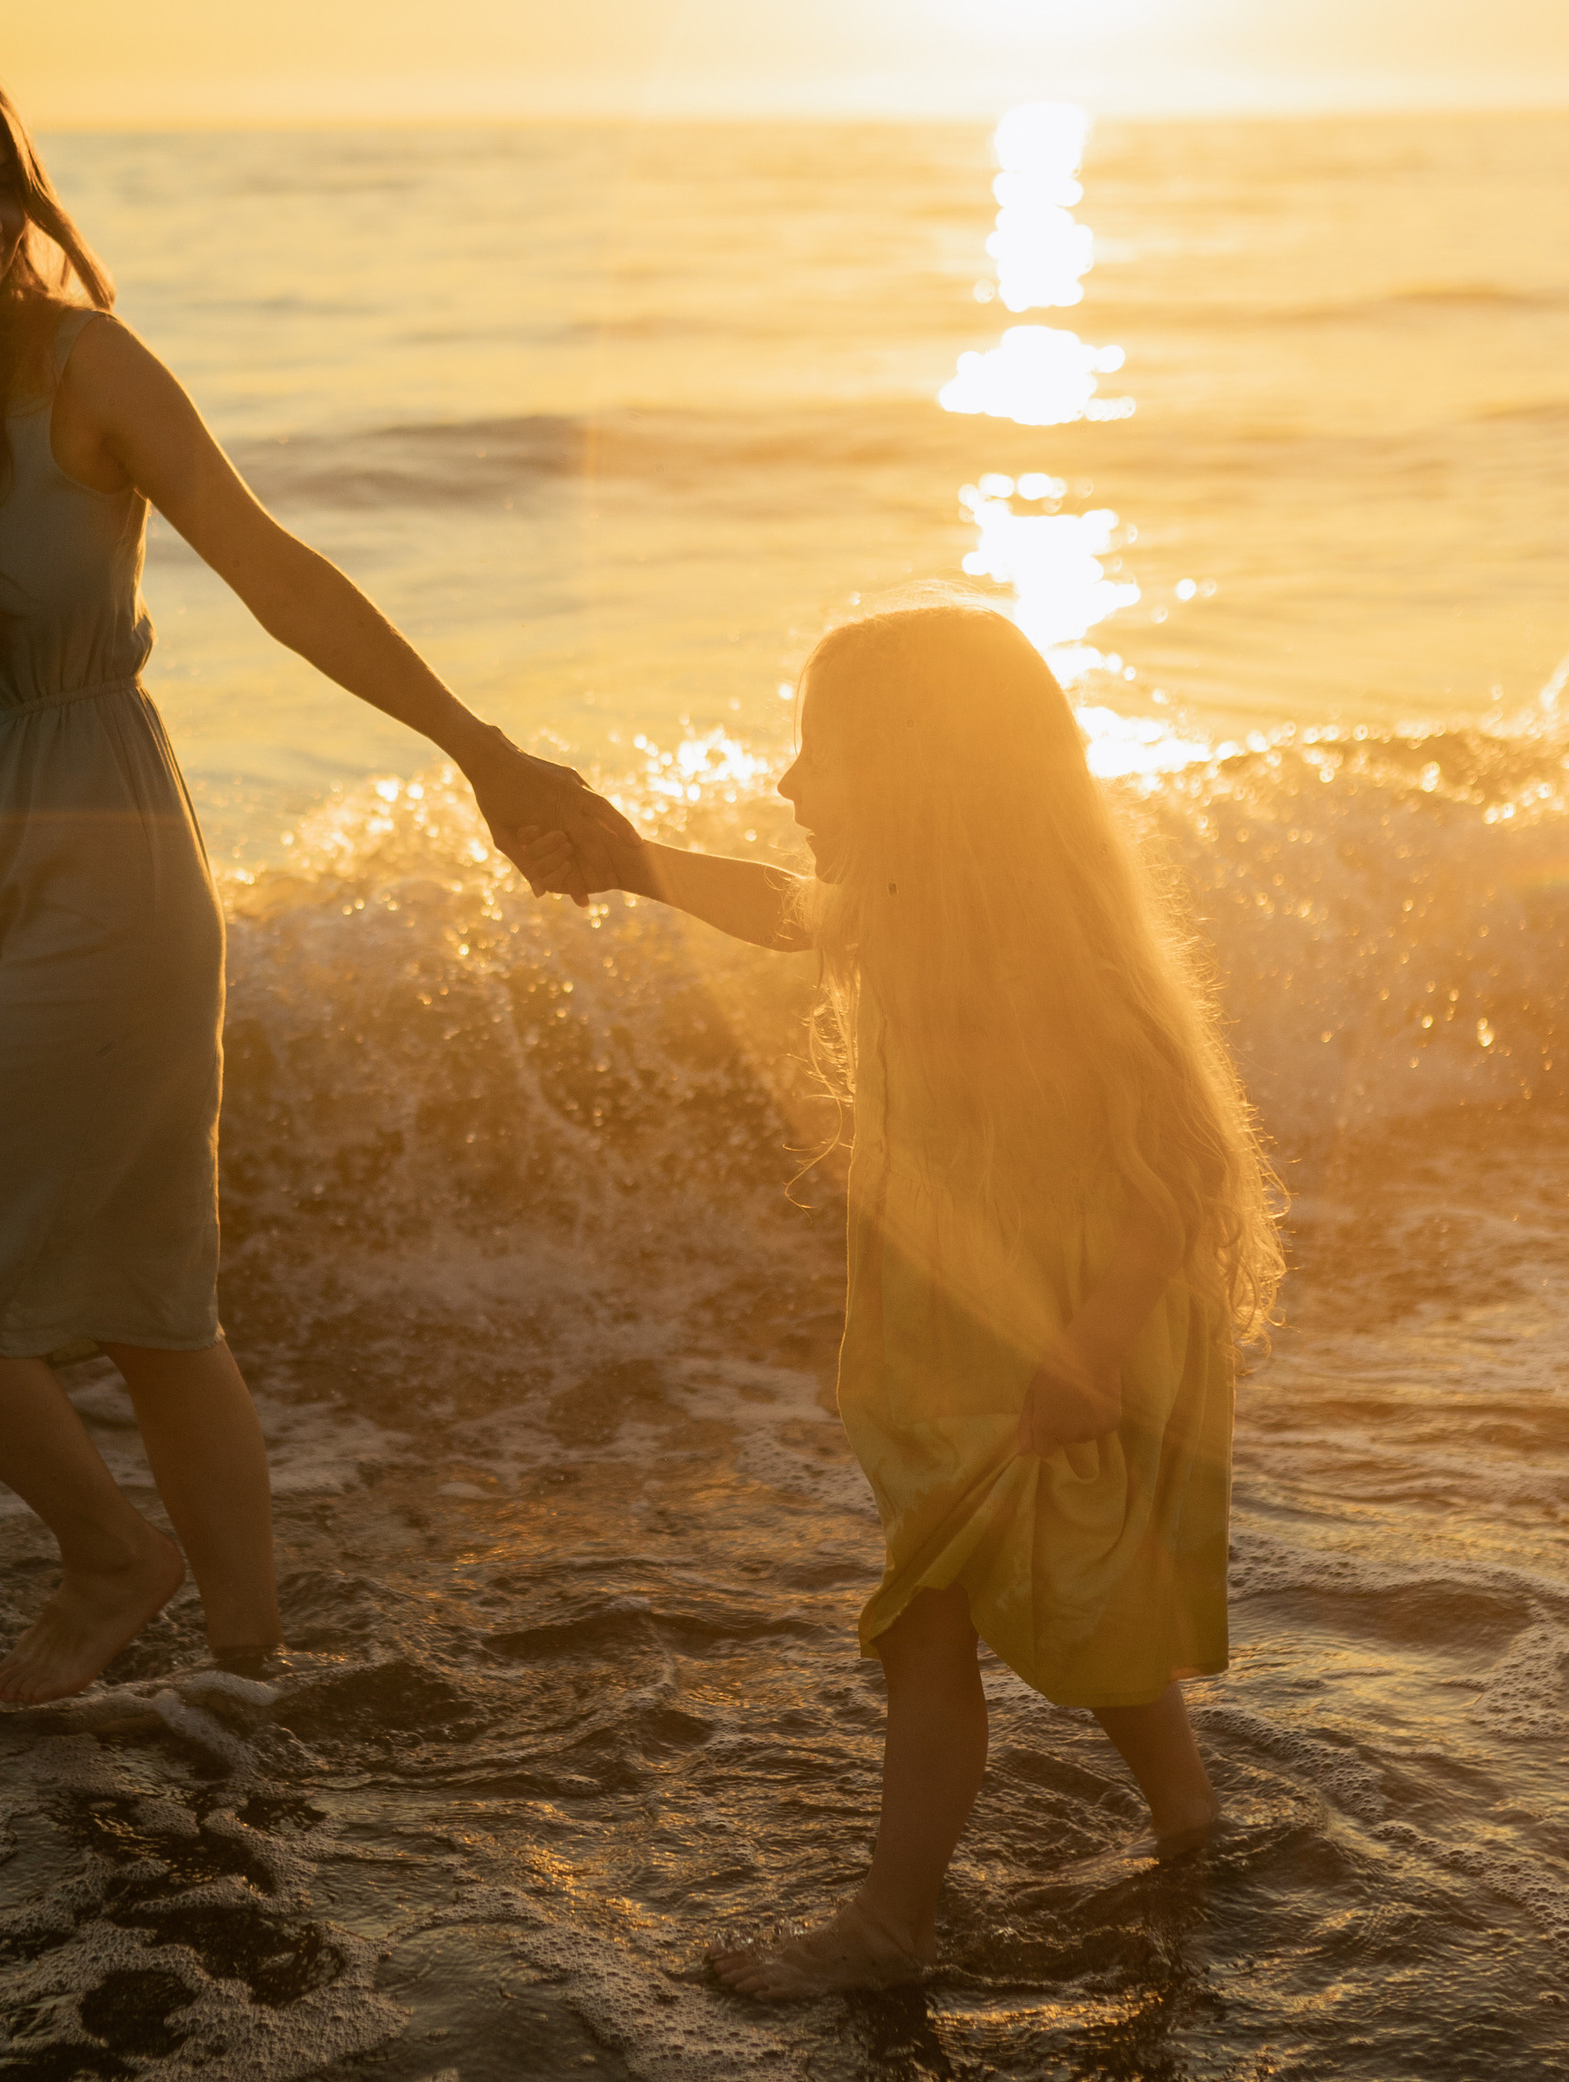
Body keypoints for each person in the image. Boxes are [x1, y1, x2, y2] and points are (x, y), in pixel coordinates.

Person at [0, 33, 589, 1705]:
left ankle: (117, 1557)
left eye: (0, 184)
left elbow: (277, 572)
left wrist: (482, 751)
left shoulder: (86, 370)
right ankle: (251, 1677)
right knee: (155, 1307)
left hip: (115, 876)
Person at [515, 596, 1282, 2000]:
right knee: (1060, 1598)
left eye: (822, 753)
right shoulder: (908, 909)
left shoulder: (1040, 944)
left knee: (927, 1614)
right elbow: (782, 910)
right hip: (966, 1339)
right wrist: (629, 861)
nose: (791, 781)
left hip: (1058, 1332)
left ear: (924, 773)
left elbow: (1179, 1159)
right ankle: (1189, 1821)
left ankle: (888, 1924)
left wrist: (1096, 1348)